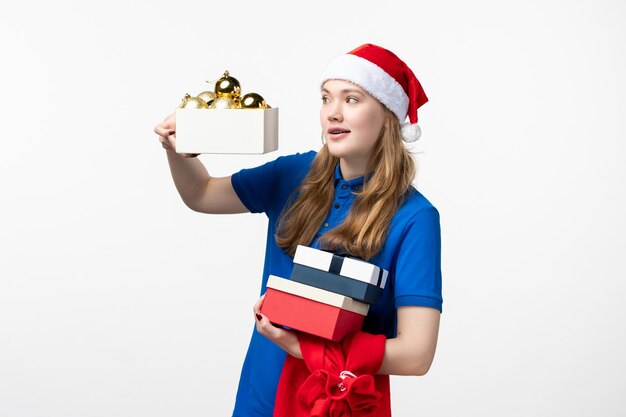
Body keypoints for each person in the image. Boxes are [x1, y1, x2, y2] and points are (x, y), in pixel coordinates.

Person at [154, 43, 442, 417]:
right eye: (326, 98)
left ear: (388, 115)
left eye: (352, 99)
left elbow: (417, 355)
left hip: (339, 403)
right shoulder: (294, 175)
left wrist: (304, 348)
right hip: (261, 394)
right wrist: (176, 150)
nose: (333, 112)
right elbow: (203, 194)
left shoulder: (415, 217)